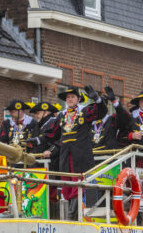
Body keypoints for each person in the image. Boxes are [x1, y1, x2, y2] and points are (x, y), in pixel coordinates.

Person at [44, 85, 107, 219]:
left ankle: (72, 215)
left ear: (78, 99)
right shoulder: (62, 115)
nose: (70, 99)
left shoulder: (85, 111)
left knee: (78, 185)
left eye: (72, 97)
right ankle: (71, 214)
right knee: (67, 186)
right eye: (68, 97)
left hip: (81, 156)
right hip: (66, 157)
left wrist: (97, 99)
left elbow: (102, 112)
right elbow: (52, 135)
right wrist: (37, 141)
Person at [91, 86, 134, 152]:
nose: (99, 109)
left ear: (107, 106)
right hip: (93, 156)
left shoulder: (112, 119)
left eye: (102, 106)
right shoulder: (90, 122)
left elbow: (125, 119)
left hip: (109, 155)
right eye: (97, 106)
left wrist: (115, 102)